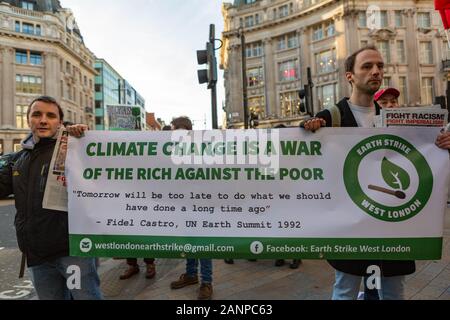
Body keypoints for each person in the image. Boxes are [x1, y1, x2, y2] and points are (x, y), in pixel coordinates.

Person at [302, 46, 415, 300]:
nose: (376, 71)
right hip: (350, 226)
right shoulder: (332, 117)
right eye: (367, 66)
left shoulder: (394, 118)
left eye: (380, 66)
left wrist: (442, 144)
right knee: (345, 290)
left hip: (392, 224)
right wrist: (309, 127)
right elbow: (300, 151)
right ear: (349, 76)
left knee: (394, 291)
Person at [0, 96, 102, 300]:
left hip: (73, 253)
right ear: (28, 119)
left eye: (51, 115)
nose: (43, 120)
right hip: (37, 256)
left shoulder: (76, 150)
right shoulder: (17, 160)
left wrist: (82, 138)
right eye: (37, 114)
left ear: (60, 122)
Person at [169, 116, 213, 300]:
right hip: (184, 205)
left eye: (176, 131)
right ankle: (191, 274)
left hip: (201, 204)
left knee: (203, 244)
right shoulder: (175, 153)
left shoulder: (201, 151)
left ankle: (206, 282)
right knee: (189, 241)